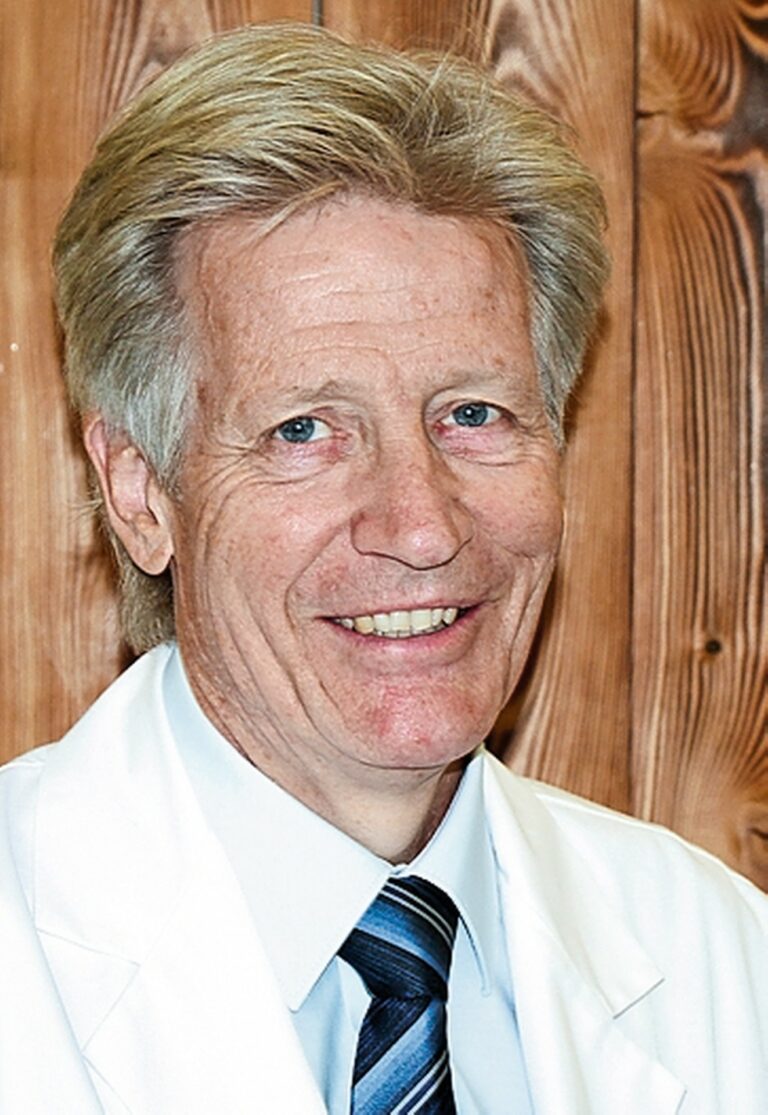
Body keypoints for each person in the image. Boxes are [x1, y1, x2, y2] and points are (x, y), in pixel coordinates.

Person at [1, 22, 765, 1115]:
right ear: (141, 493)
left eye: (474, 413)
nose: (421, 527)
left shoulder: (724, 962)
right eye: (304, 430)